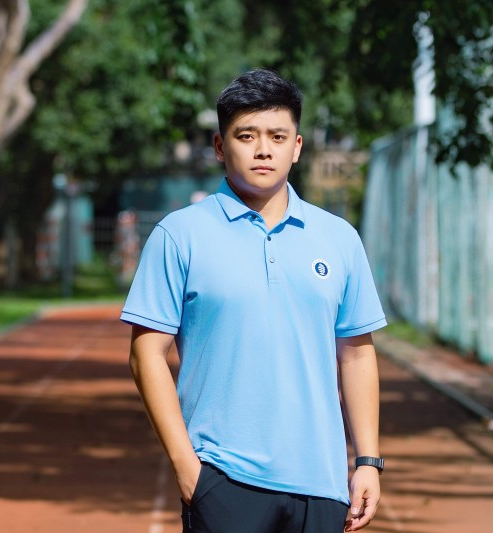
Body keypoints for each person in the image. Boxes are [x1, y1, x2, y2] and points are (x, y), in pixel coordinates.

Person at [122, 68, 387, 533]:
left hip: (321, 485)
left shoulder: (339, 238)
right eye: (247, 136)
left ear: (296, 147)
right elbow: (146, 355)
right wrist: (188, 470)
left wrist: (367, 461)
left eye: (278, 136)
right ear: (220, 146)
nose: (264, 149)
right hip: (222, 480)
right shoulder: (179, 234)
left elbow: (357, 354)